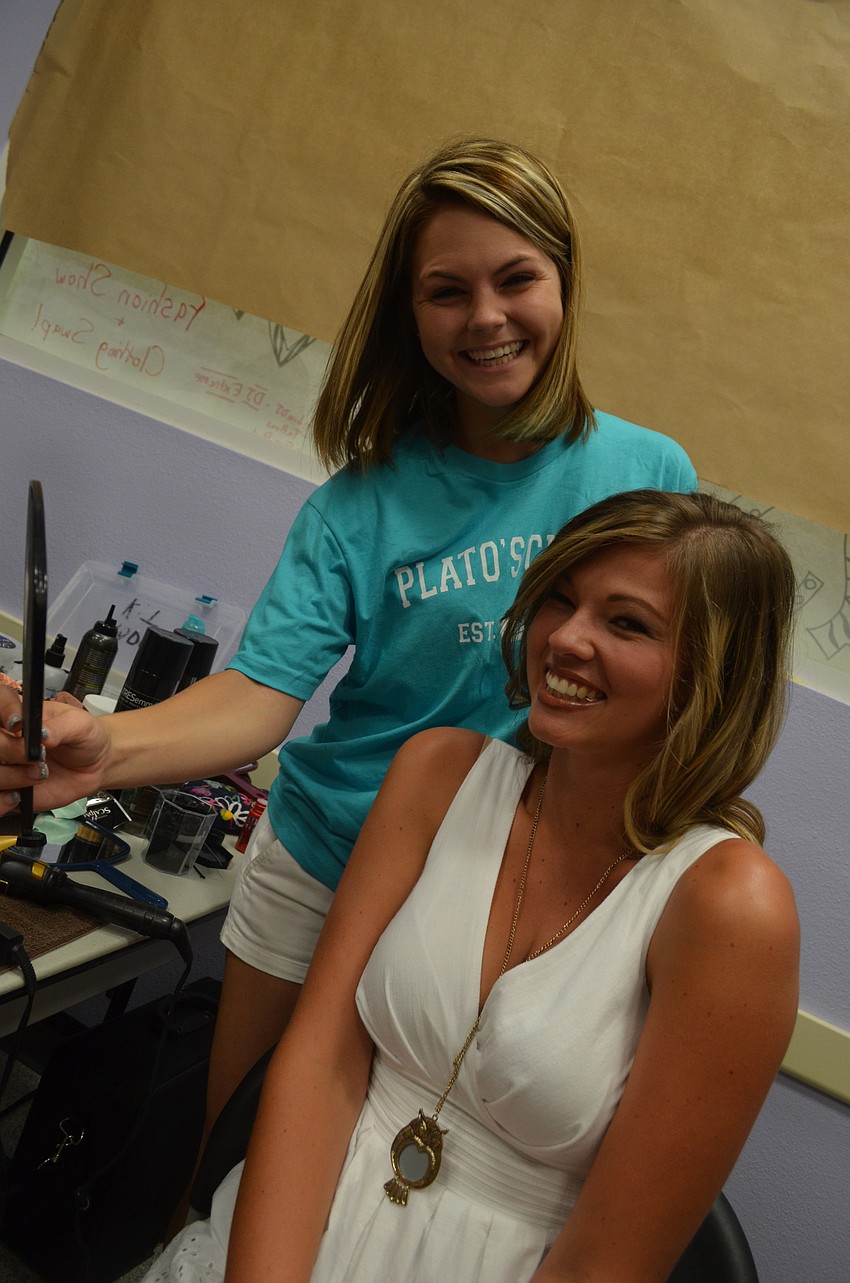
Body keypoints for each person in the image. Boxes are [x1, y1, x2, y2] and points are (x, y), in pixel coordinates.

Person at [0, 138, 696, 1156]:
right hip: (332, 860)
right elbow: (260, 692)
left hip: (515, 892)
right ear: (410, 315)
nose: (487, 318)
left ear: (564, 284)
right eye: (447, 291)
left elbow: (676, 694)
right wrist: (108, 748)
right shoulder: (357, 504)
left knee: (395, 1178)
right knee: (238, 1153)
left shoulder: (647, 474)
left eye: (516, 279)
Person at [142, 489, 800, 1283]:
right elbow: (319, 1064)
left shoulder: (730, 903)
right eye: (559, 599)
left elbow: (607, 1263)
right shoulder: (439, 773)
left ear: (713, 673)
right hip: (290, 1226)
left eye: (627, 624)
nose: (566, 639)